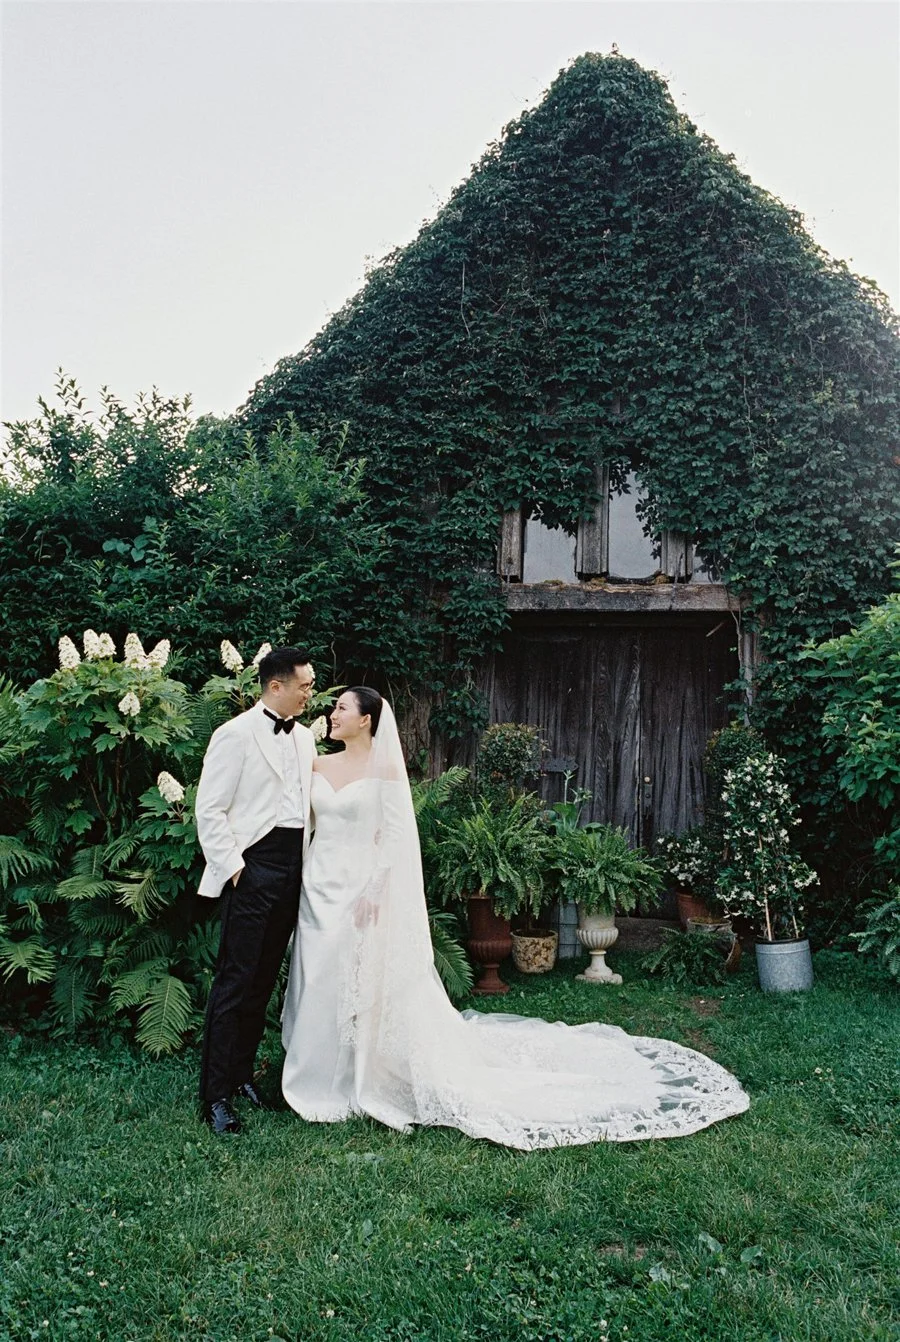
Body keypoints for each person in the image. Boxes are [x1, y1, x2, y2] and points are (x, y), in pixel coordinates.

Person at [281, 688, 750, 1148]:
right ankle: (315, 1066)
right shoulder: (317, 765)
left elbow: (396, 837)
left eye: (342, 707)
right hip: (319, 886)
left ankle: (360, 1071)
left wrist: (375, 891)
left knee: (361, 976)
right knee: (318, 971)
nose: (332, 713)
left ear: (366, 720)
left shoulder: (385, 769)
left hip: (362, 892)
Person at [195, 646, 316, 1134]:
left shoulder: (305, 738)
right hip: (252, 869)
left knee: (264, 978)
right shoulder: (234, 734)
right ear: (275, 686)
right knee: (235, 979)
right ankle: (215, 1096)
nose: (310, 694)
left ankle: (243, 1076)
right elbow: (209, 809)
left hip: (293, 868)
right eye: (304, 686)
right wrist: (234, 869)